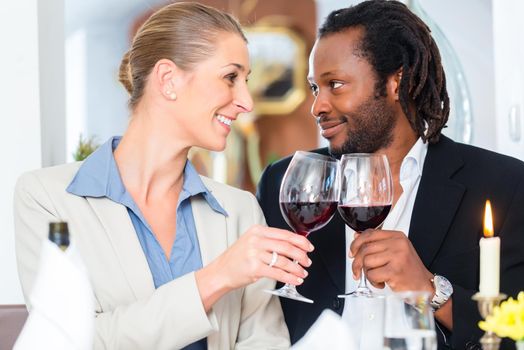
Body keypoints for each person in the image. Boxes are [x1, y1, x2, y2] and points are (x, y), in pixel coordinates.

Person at [14, 2, 314, 349]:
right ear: (168, 80)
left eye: (244, 81)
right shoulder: (47, 199)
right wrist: (216, 278)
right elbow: (70, 341)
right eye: (230, 78)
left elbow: (266, 342)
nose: (246, 101)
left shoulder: (240, 210)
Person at [256, 1, 524, 349]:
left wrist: (430, 289)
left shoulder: (504, 185)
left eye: (335, 84)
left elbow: (516, 332)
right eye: (314, 88)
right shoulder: (287, 185)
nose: (317, 106)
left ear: (396, 81)